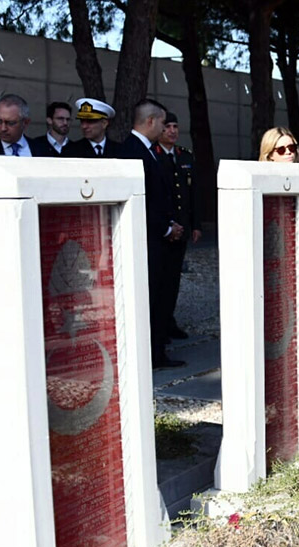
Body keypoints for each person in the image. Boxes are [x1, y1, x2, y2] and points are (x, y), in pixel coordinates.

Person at [120, 99, 184, 369]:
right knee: (150, 298)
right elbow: (140, 201)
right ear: (150, 121)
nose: (164, 127)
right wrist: (166, 227)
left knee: (159, 297)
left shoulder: (149, 151)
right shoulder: (133, 152)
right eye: (161, 122)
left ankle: (156, 350)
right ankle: (151, 354)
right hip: (148, 240)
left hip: (159, 239)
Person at [156, 111, 201, 342]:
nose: (172, 131)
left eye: (175, 126)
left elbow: (192, 194)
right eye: (167, 126)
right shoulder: (153, 155)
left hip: (182, 229)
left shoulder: (185, 156)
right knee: (160, 281)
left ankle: (169, 321)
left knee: (174, 280)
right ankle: (159, 326)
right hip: (162, 230)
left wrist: (195, 224)